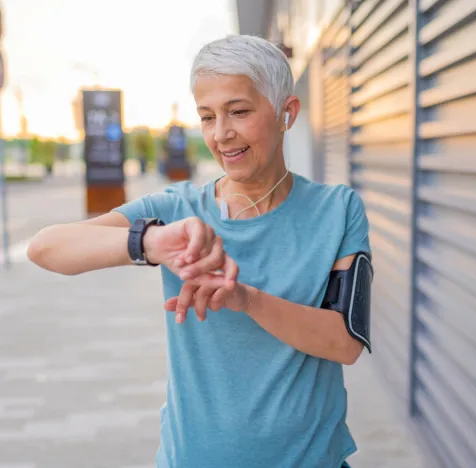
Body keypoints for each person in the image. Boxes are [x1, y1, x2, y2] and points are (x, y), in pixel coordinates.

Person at [27, 35, 373, 468]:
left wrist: (245, 299)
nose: (221, 133)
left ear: (287, 113)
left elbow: (344, 344)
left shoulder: (337, 210)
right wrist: (151, 242)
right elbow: (46, 248)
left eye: (239, 111)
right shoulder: (174, 209)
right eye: (207, 117)